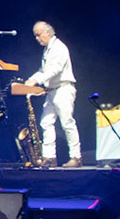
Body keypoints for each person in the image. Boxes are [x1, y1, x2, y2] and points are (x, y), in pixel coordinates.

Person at [26, 21, 82, 167]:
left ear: (48, 32)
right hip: (51, 91)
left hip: (63, 89)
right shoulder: (47, 50)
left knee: (67, 123)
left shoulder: (59, 48)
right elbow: (43, 70)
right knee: (46, 122)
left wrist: (36, 80)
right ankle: (49, 157)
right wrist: (30, 80)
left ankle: (76, 157)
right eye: (35, 36)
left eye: (39, 35)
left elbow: (54, 70)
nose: (37, 38)